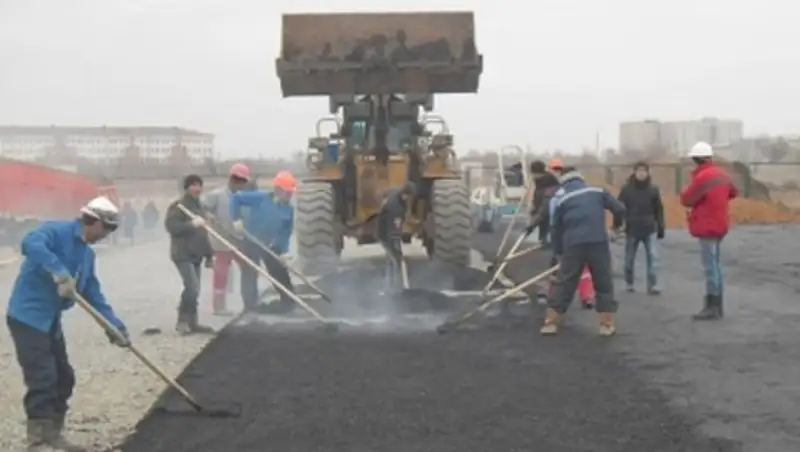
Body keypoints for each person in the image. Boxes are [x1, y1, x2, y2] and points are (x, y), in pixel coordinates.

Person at [7, 196, 129, 451]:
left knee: (64, 377)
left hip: (50, 320)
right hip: (28, 316)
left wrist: (114, 325)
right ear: (93, 221)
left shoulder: (86, 255)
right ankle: (38, 439)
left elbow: (93, 293)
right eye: (107, 229)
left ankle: (53, 433)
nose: (107, 235)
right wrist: (59, 270)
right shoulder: (56, 231)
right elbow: (30, 243)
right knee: (43, 377)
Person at [543, 167, 626, 337]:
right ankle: (606, 325)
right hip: (598, 241)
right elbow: (620, 209)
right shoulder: (597, 190)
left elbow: (555, 228)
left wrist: (559, 252)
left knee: (565, 282)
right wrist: (615, 228)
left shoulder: (561, 198)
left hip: (573, 244)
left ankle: (550, 323)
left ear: (564, 181)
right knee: (603, 282)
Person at [680, 141, 738, 321]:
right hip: (721, 225)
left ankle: (712, 306)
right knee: (716, 265)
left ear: (695, 159)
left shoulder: (702, 178)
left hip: (706, 226)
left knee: (710, 266)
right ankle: (717, 305)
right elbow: (733, 192)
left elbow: (687, 200)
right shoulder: (723, 175)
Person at [230, 170, 297, 314]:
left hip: (270, 244)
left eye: (291, 193)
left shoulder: (289, 209)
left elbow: (286, 232)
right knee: (250, 272)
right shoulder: (261, 197)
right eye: (288, 192)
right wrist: (236, 219)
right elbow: (237, 199)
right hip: (251, 239)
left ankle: (288, 301)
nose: (290, 196)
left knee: (278, 270)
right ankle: (250, 306)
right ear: (278, 190)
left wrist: (283, 251)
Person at [164, 174, 215, 335]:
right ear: (187, 188)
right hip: (182, 253)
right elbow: (172, 227)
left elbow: (203, 234)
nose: (197, 188)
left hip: (196, 254)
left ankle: (193, 323)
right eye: (193, 185)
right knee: (192, 287)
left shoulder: (199, 208)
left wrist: (209, 255)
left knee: (195, 289)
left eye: (199, 185)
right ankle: (182, 321)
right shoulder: (178, 207)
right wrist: (191, 224)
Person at [202, 163, 250, 316]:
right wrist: (207, 215)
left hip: (239, 238)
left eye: (243, 182)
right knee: (221, 273)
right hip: (221, 240)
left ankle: (250, 303)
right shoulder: (217, 195)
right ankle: (219, 307)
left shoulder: (245, 197)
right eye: (238, 181)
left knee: (248, 269)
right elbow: (201, 207)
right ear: (231, 179)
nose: (240, 185)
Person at [617, 161, 665, 294]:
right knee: (629, 258)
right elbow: (619, 208)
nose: (642, 174)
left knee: (653, 257)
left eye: (644, 171)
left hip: (649, 228)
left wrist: (661, 227)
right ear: (634, 172)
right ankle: (629, 283)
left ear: (648, 173)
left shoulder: (653, 190)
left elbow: (659, 210)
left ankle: (653, 285)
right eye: (639, 171)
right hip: (632, 229)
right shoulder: (626, 190)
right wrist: (617, 225)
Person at [376, 181, 416, 294]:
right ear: (406, 195)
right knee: (396, 260)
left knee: (390, 260)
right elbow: (394, 230)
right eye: (410, 196)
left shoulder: (395, 192)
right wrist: (396, 245)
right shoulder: (396, 208)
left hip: (383, 231)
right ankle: (398, 289)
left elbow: (384, 193)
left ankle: (389, 287)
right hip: (385, 235)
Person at [524, 159, 561, 244]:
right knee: (542, 243)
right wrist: (533, 209)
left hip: (550, 220)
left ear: (537, 173)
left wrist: (532, 224)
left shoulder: (550, 184)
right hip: (542, 219)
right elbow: (538, 199)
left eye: (533, 173)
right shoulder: (540, 182)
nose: (532, 176)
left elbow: (545, 208)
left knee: (548, 244)